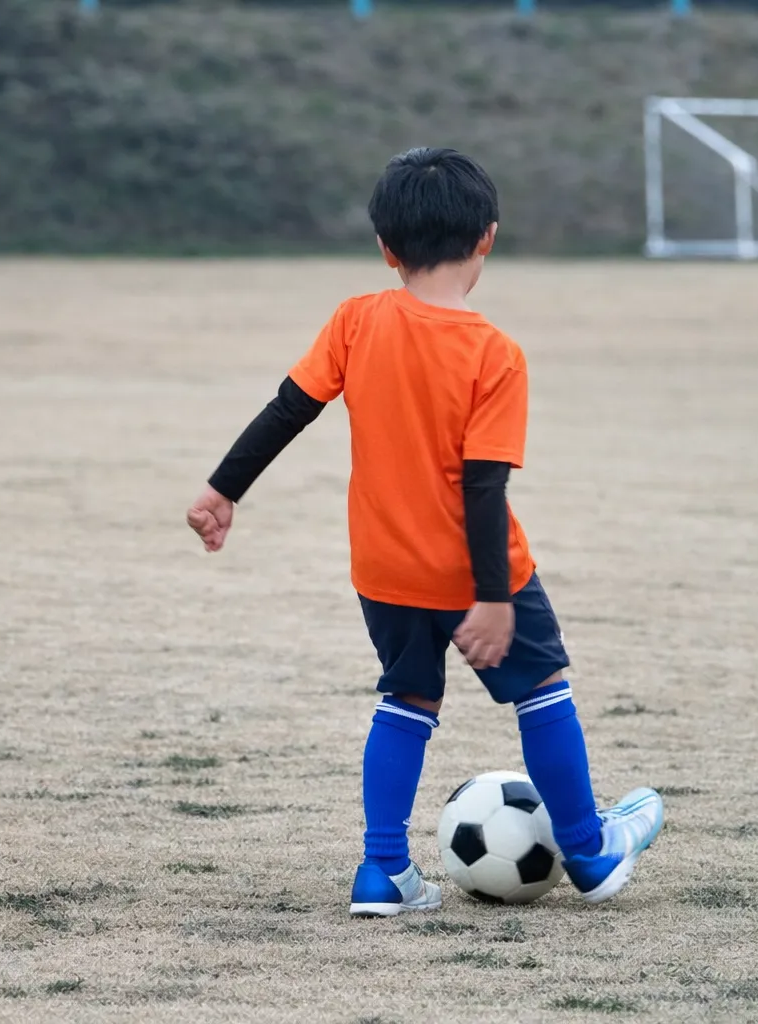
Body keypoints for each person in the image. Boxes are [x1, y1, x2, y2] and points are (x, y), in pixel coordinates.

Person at [185, 148, 663, 917]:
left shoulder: (355, 319)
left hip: (384, 569)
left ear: (385, 247)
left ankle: (382, 874)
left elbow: (288, 408)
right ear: (488, 239)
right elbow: (482, 483)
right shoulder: (493, 353)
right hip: (481, 572)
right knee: (542, 693)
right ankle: (588, 848)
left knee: (406, 701)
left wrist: (222, 489)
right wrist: (492, 597)